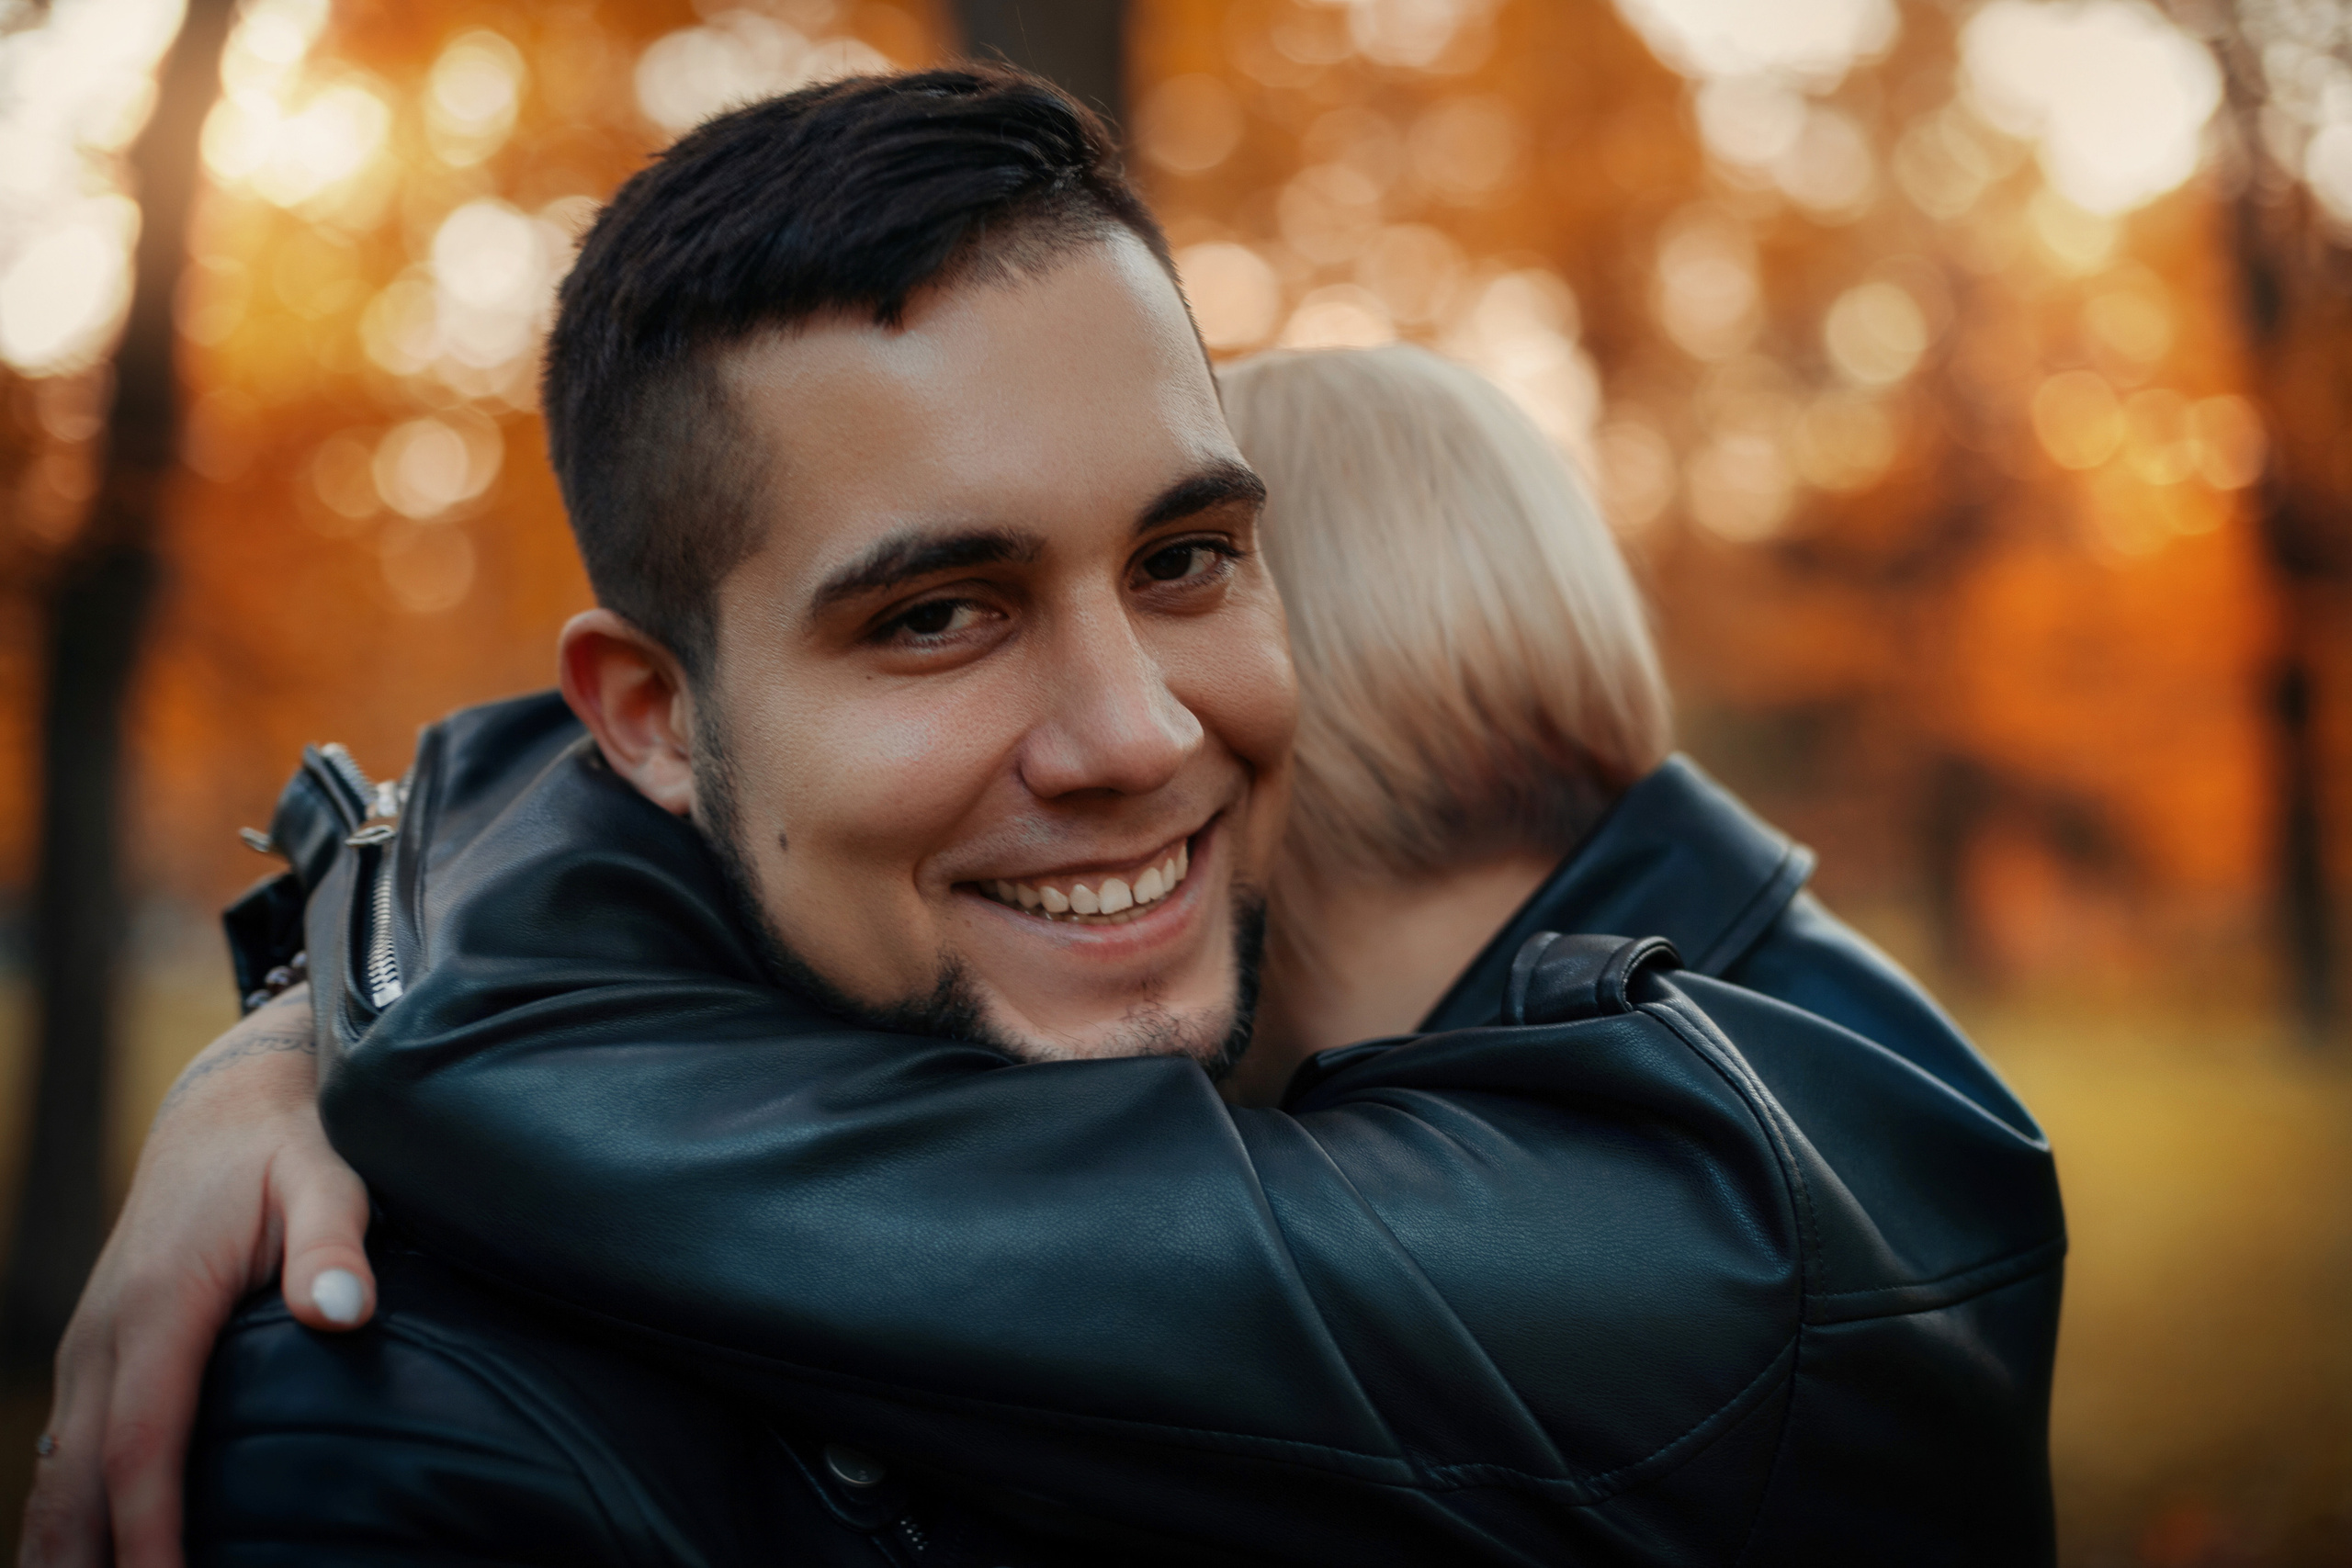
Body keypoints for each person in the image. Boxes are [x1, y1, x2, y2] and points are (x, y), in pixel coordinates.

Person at [23, 68, 2064, 1568]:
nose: (1132, 727)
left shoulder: (1598, 1212)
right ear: (649, 719)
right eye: (937, 612)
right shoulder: (378, 1413)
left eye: (1185, 557)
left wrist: (350, 1001)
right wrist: (345, 1009)